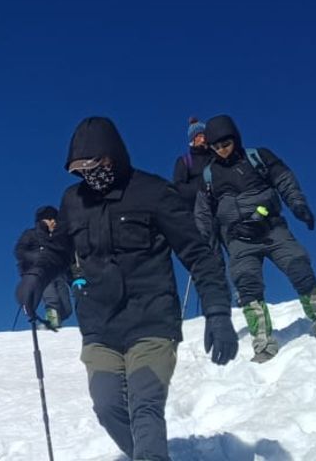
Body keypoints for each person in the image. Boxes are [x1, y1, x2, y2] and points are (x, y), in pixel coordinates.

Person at [19, 117, 238, 461]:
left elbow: (198, 254)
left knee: (145, 405)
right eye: (80, 168)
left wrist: (218, 312)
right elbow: (59, 249)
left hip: (151, 321)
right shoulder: (73, 200)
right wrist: (35, 276)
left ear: (113, 156)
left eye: (94, 164)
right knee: (107, 407)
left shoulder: (152, 192)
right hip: (100, 328)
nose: (89, 174)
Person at [194, 114, 316, 362]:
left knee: (299, 266)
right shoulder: (209, 176)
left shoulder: (259, 157)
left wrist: (298, 205)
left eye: (226, 144)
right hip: (239, 239)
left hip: (272, 229)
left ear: (235, 139)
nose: (222, 150)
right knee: (247, 285)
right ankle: (263, 342)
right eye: (216, 147)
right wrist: (207, 246)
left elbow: (284, 180)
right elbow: (203, 213)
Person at [14, 205, 73, 329]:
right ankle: (51, 322)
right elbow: (19, 251)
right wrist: (36, 258)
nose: (53, 222)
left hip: (58, 274)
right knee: (52, 299)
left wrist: (72, 278)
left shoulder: (59, 238)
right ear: (42, 221)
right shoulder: (31, 234)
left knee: (66, 307)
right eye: (50, 219)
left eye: (55, 220)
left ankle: (54, 322)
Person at [172, 117, 210, 210]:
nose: (203, 139)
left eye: (205, 136)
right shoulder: (185, 161)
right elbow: (178, 187)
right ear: (193, 139)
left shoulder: (215, 158)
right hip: (195, 210)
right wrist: (201, 190)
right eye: (200, 136)